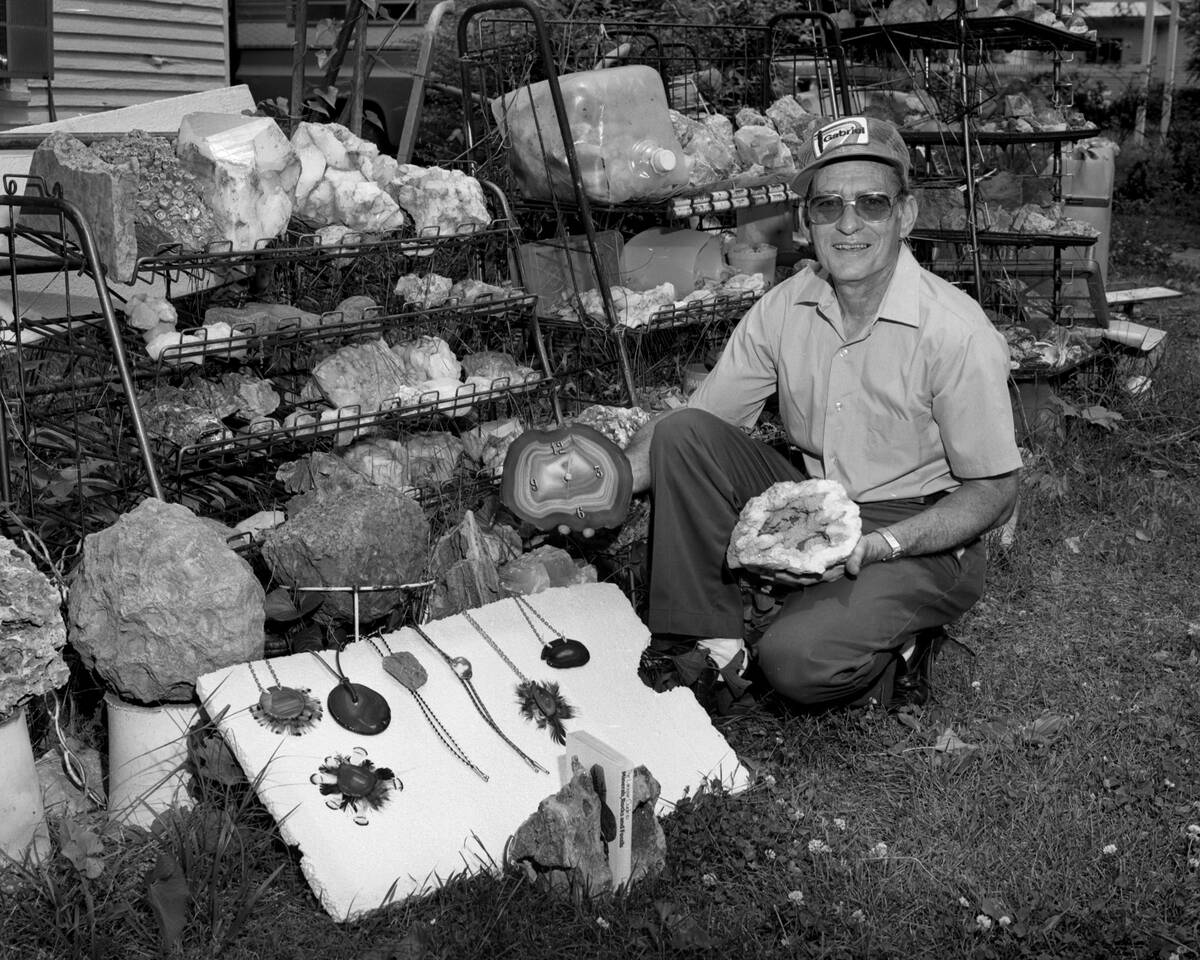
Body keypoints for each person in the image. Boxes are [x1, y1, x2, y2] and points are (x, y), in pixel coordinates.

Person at [614, 115, 1022, 712]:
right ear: (806, 222)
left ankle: (899, 650)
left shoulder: (955, 332)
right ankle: (708, 639)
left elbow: (994, 490)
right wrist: (611, 480)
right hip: (815, 499)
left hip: (919, 527)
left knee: (795, 661)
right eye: (828, 205)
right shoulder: (785, 306)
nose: (848, 223)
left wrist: (880, 546)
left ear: (905, 215)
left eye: (872, 203)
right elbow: (701, 425)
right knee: (683, 433)